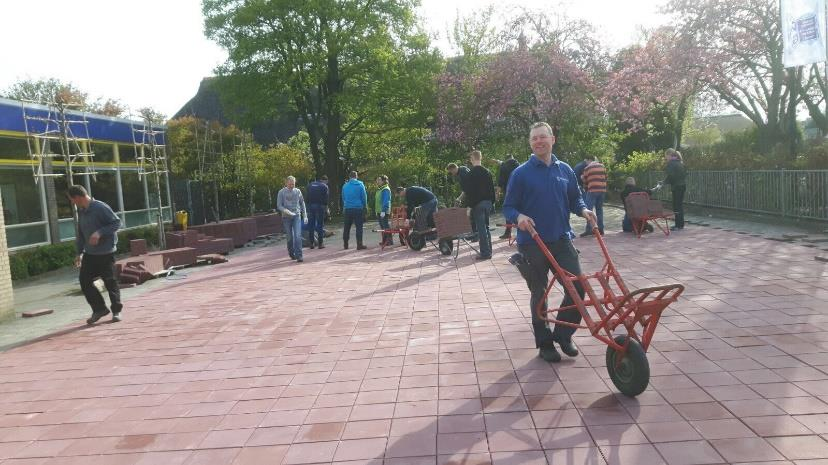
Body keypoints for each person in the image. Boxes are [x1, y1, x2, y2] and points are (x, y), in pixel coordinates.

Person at [503, 122, 597, 363]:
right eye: (534, 139)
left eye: (542, 137)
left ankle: (564, 334)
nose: (538, 142)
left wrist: (584, 210)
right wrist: (519, 216)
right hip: (532, 243)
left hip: (561, 239)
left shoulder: (564, 170)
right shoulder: (520, 173)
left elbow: (575, 199)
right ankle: (544, 344)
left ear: (552, 139)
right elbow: (509, 207)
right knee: (539, 292)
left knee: (578, 288)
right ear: (530, 143)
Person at [68, 185, 123, 325]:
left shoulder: (100, 207)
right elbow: (81, 235)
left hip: (106, 253)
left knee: (110, 282)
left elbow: (117, 223)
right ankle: (99, 309)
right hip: (90, 254)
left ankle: (116, 311)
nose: (72, 203)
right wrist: (79, 253)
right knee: (84, 281)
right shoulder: (81, 211)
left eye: (72, 200)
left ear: (78, 197)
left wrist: (99, 233)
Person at [466, 150, 496, 260]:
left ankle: (485, 253)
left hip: (478, 204)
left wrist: (470, 207)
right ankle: (489, 251)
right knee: (487, 227)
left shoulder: (471, 174)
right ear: (481, 157)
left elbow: (470, 192)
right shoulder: (487, 172)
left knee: (481, 229)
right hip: (488, 202)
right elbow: (492, 189)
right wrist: (492, 202)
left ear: (472, 159)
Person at [277, 175, 307, 262]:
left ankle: (299, 255)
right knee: (290, 237)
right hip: (286, 217)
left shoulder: (297, 191)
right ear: (286, 183)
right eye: (290, 184)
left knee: (297, 236)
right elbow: (279, 205)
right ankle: (291, 252)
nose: (291, 186)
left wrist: (305, 215)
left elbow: (302, 203)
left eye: (293, 184)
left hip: (296, 216)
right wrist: (285, 211)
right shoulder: (281, 192)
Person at [447, 162, 477, 240]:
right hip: (471, 195)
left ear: (453, 168)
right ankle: (473, 233)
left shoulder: (462, 173)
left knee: (472, 215)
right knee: (470, 214)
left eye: (451, 172)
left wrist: (460, 198)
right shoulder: (462, 170)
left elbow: (467, 188)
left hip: (473, 195)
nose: (452, 174)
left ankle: (475, 235)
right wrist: (461, 198)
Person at [580, 155, 607, 237]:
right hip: (602, 190)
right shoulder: (602, 167)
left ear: (589, 160)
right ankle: (601, 229)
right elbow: (606, 178)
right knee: (599, 210)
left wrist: (585, 187)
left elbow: (585, 181)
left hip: (592, 190)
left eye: (586, 161)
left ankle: (589, 229)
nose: (586, 163)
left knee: (589, 210)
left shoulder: (587, 168)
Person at [342, 171, 368, 250]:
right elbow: (364, 197)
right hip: (358, 208)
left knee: (346, 227)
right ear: (356, 176)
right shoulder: (360, 185)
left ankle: (345, 244)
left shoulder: (345, 186)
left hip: (348, 209)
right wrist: (365, 206)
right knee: (359, 227)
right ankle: (359, 244)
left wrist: (346, 204)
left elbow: (343, 197)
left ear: (349, 177)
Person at [662, 148, 687, 231]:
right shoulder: (680, 162)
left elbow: (670, 176)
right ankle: (681, 224)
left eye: (666, 156)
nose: (666, 158)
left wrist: (664, 183)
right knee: (679, 206)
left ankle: (677, 225)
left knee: (676, 206)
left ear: (669, 155)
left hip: (676, 187)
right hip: (682, 185)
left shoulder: (671, 163)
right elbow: (685, 174)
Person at [497, 154, 520, 240]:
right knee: (520, 212)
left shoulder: (504, 166)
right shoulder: (519, 165)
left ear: (506, 159)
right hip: (520, 192)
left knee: (508, 212)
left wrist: (497, 194)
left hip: (508, 192)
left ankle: (508, 232)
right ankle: (520, 233)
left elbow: (501, 181)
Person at [306, 175, 329, 249]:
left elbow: (307, 196)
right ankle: (320, 243)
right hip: (320, 207)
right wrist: (326, 210)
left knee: (311, 225)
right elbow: (326, 199)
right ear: (325, 181)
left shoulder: (310, 185)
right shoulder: (324, 186)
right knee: (320, 225)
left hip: (310, 206)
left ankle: (311, 243)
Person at [375, 175, 393, 246]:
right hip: (379, 211)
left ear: (383, 181)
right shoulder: (380, 189)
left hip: (384, 211)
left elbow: (386, 201)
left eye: (379, 180)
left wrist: (383, 211)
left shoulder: (385, 189)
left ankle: (389, 241)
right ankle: (385, 241)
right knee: (383, 227)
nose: (377, 181)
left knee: (385, 226)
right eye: (377, 180)